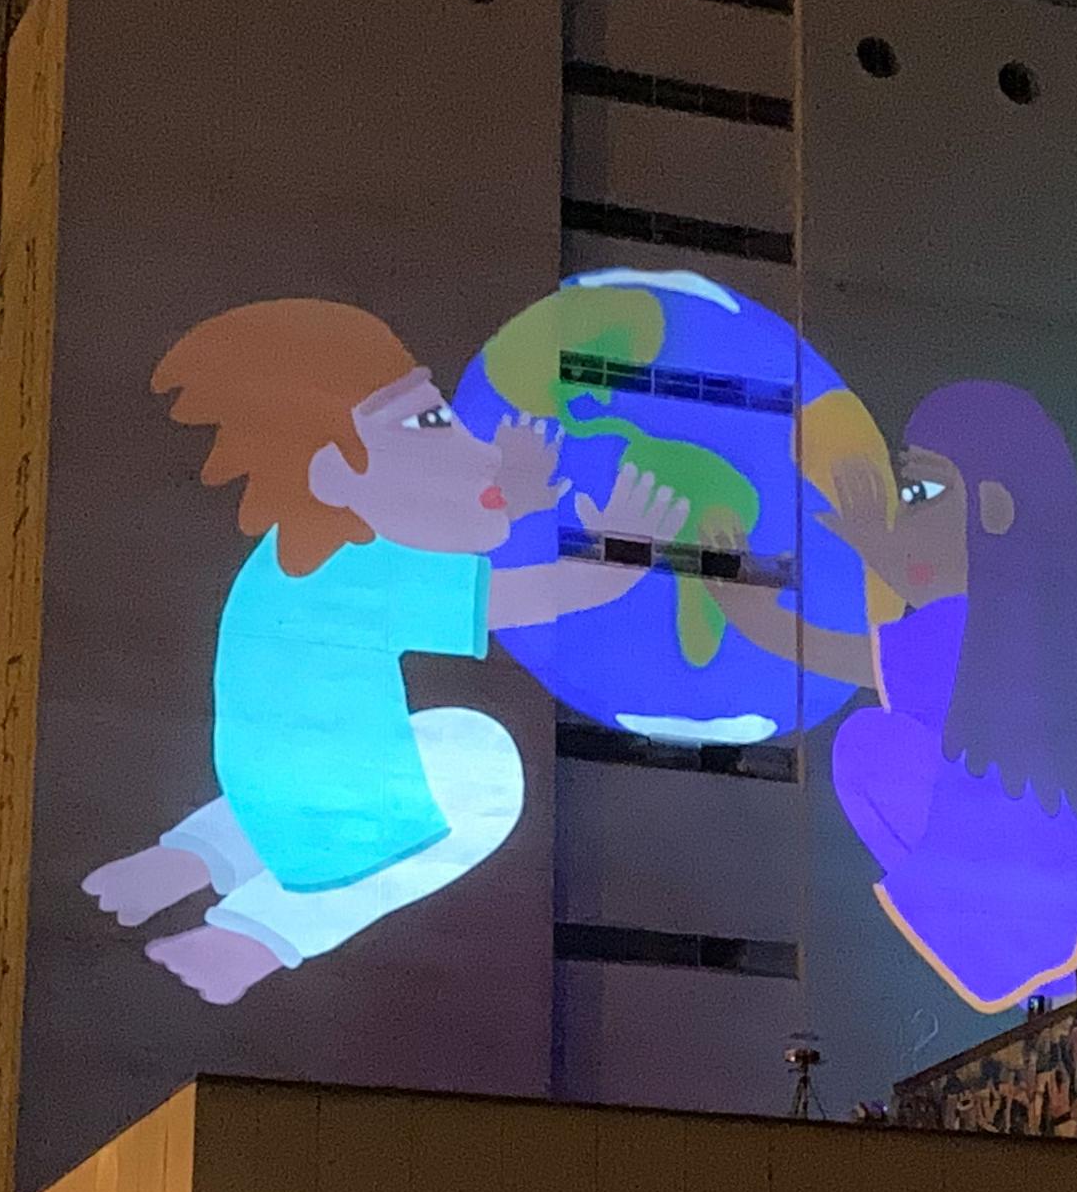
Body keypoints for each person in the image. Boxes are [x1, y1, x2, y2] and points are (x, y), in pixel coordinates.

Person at [80, 297, 682, 1002]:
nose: (479, 449)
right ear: (332, 472)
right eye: (428, 422)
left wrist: (510, 499)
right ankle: (251, 937)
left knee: (439, 737)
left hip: (265, 786)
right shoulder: (374, 574)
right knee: (486, 773)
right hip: (327, 808)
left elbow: (443, 530)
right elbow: (550, 591)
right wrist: (623, 553)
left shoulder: (301, 553)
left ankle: (190, 857)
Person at [721, 378, 1077, 1011]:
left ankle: (1023, 959)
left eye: (919, 493)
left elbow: (834, 652)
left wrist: (751, 612)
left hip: (990, 873)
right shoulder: (1040, 639)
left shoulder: (966, 628)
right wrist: (873, 547)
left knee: (867, 744)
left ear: (996, 508)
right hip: (1044, 879)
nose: (895, 522)